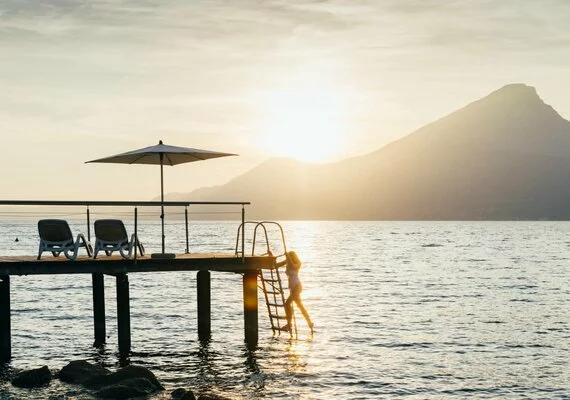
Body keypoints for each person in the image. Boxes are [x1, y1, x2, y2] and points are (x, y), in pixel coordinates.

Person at [276, 250, 314, 334]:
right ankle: (309, 323)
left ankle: (289, 325)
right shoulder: (288, 261)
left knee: (288, 304)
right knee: (299, 306)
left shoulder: (298, 263)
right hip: (293, 288)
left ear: (293, 257)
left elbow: (293, 267)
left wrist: (288, 257)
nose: (288, 258)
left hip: (297, 286)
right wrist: (271, 256)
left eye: (290, 256)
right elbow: (276, 265)